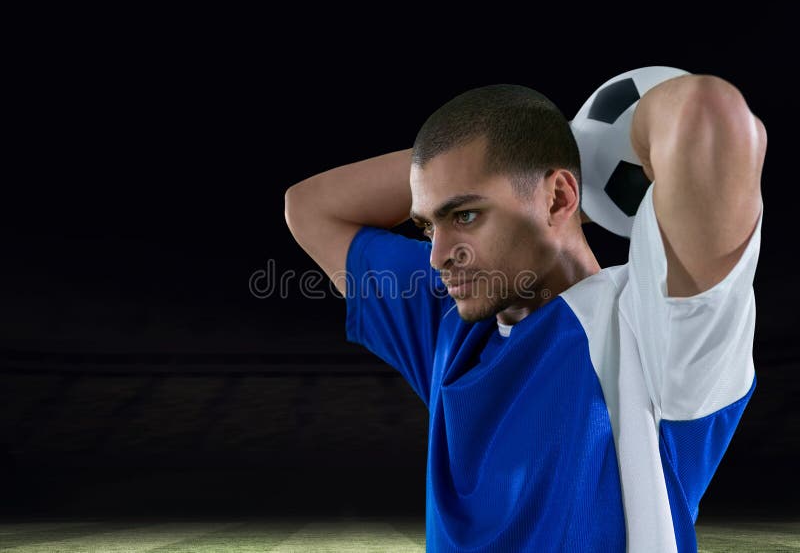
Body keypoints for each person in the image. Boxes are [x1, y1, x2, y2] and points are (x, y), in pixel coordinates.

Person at [284, 79, 766, 552]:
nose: (437, 256)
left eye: (466, 215)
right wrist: (537, 148)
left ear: (558, 197)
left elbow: (710, 115)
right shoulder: (450, 319)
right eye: (429, 225)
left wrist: (568, 145)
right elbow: (309, 207)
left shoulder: (649, 327)